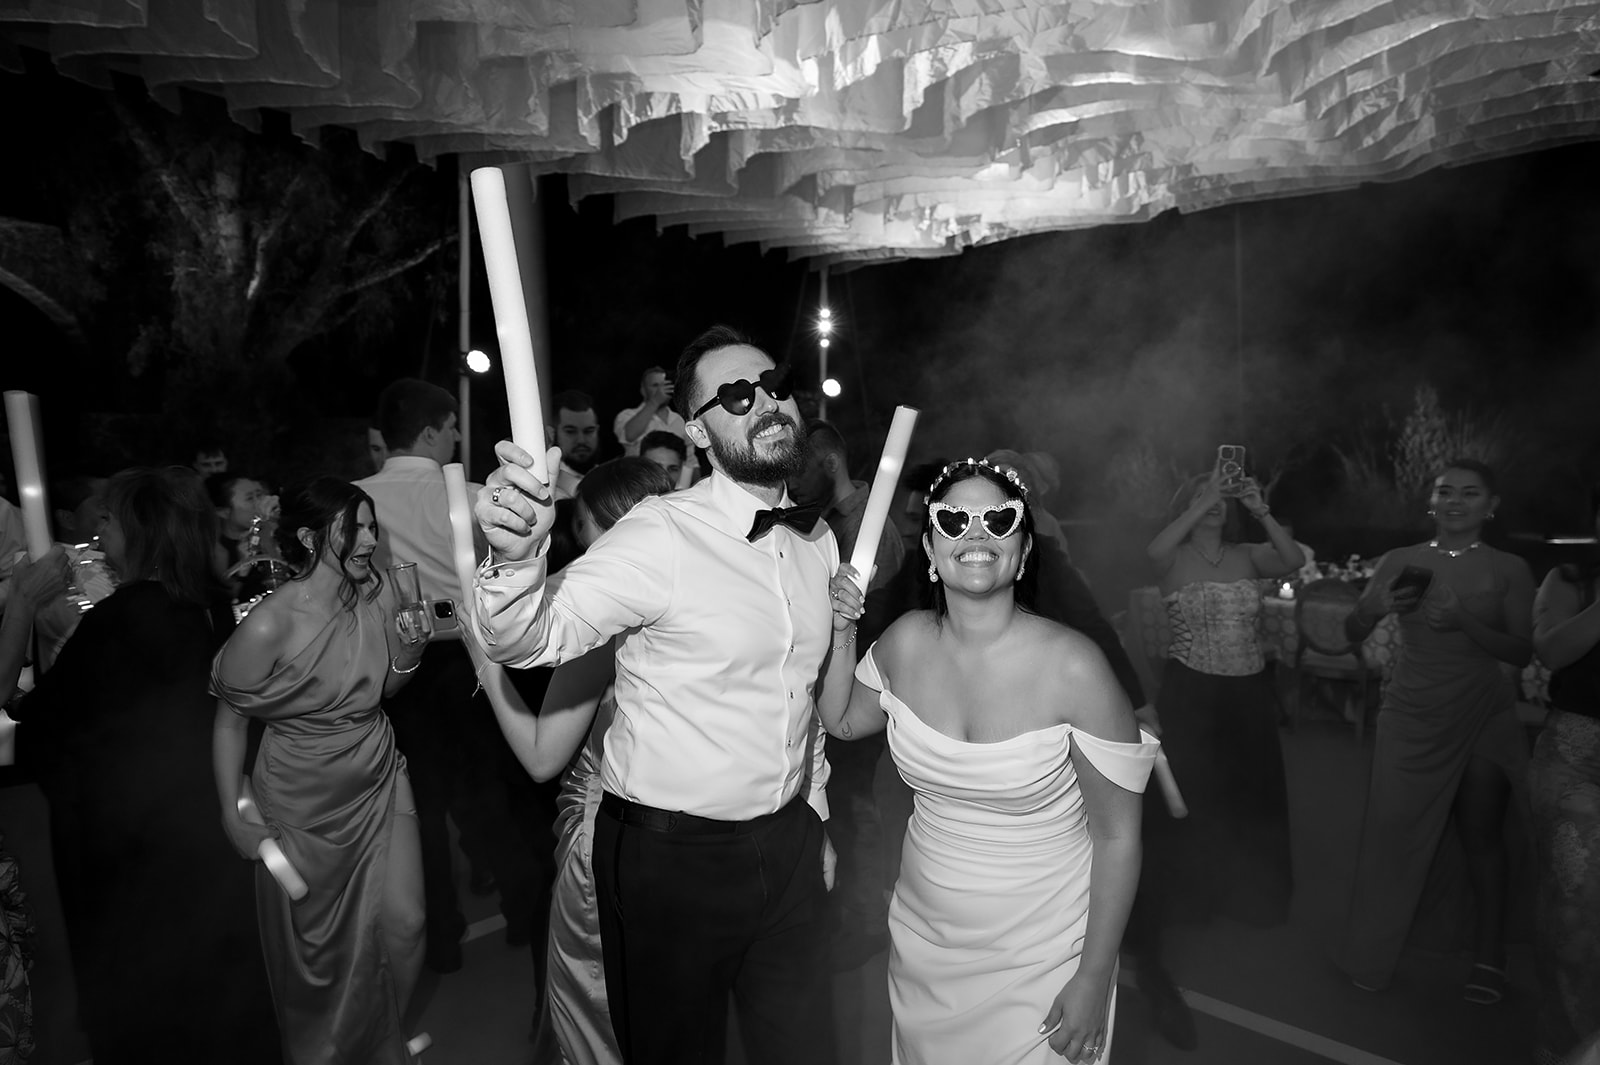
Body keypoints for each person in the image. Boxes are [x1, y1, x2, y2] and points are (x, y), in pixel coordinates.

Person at [474, 325, 837, 1065]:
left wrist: (817, 814)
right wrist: (515, 558)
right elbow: (529, 635)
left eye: (774, 383)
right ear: (698, 429)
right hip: (670, 861)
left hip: (788, 844)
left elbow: (800, 700)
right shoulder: (660, 534)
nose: (765, 401)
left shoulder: (817, 541)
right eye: (736, 395)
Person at [817, 457, 1156, 1064]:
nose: (976, 534)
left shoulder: (1075, 667)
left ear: (1023, 554)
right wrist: (843, 626)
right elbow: (840, 720)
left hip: (1045, 950)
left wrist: (1093, 975)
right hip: (926, 945)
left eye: (999, 520)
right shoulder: (904, 642)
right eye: (954, 519)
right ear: (930, 547)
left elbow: (1120, 837)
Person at [1, 467, 278, 1065]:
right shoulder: (207, 607)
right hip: (199, 836)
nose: (99, 531)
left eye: (109, 519)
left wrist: (30, 616)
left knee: (151, 1014)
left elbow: (43, 722)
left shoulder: (122, 619)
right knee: (221, 1003)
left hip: (132, 861)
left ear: (142, 528)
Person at [211, 477, 428, 1064]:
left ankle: (386, 1042)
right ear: (309, 538)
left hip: (379, 770)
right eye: (352, 528)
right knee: (322, 954)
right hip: (302, 798)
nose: (368, 538)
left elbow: (384, 688)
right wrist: (234, 813)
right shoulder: (269, 624)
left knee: (407, 925)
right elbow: (230, 721)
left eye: (371, 525)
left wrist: (409, 657)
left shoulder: (380, 591)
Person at [488, 457, 676, 1065]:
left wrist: (485, 665)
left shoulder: (601, 622)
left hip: (605, 842)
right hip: (685, 841)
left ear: (601, 530)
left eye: (584, 529)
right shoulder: (695, 606)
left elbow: (543, 759)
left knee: (598, 1013)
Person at [357, 377, 541, 972]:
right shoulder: (466, 494)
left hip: (395, 667)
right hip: (466, 660)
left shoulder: (354, 499)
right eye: (453, 425)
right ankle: (525, 915)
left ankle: (438, 937)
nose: (459, 435)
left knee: (419, 807)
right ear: (432, 429)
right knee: (487, 796)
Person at [1340, 458, 1534, 999]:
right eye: (1446, 491)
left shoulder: (1509, 568)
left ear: (1490, 507)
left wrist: (1465, 621)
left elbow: (1523, 649)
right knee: (1390, 836)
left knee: (1480, 835)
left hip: (1480, 710)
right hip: (1411, 713)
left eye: (1470, 493)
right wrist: (1371, 606)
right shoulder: (1400, 560)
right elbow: (1351, 632)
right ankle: (1371, 953)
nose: (1455, 501)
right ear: (1431, 500)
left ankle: (1489, 957)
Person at [1144, 468, 1302, 930]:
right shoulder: (1172, 558)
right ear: (1188, 506)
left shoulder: (1248, 555)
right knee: (1195, 788)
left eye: (1220, 497)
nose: (1214, 501)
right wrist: (1202, 498)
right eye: (1201, 495)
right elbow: (1153, 550)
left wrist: (1261, 509)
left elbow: (1292, 559)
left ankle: (1250, 895)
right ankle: (1191, 894)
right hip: (1191, 688)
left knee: (1251, 791)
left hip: (1247, 690)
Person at [788, 419, 906, 968]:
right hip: (836, 685)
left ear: (829, 463)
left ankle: (862, 922)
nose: (793, 475)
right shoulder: (827, 523)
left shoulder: (867, 527)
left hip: (861, 687)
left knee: (857, 811)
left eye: (801, 463)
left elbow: (860, 616)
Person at [1530, 483, 1600, 1065]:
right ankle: (1567, 1041)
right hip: (1577, 756)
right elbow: (1550, 654)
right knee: (1577, 906)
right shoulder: (1570, 580)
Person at [614, 366, 689, 457]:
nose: (661, 389)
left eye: (664, 384)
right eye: (655, 385)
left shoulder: (680, 420)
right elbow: (629, 436)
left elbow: (690, 460)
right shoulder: (627, 415)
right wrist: (655, 401)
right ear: (643, 390)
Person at [552, 390, 601, 501]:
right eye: (570, 431)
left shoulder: (611, 479)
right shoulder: (545, 486)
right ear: (552, 433)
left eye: (589, 431)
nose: (581, 440)